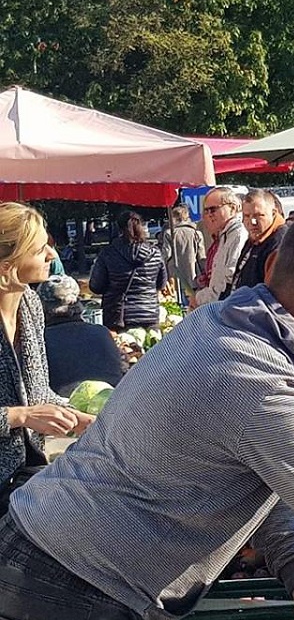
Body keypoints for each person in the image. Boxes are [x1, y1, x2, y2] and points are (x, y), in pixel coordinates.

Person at [0, 204, 294, 620]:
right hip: (72, 585)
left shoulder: (220, 323)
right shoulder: (260, 377)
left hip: (43, 544)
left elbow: (262, 479)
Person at [0, 203, 94, 517]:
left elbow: (38, 395)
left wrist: (80, 419)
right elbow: (26, 411)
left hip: (25, 479)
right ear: (7, 264)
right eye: (41, 249)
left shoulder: (30, 303)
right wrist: (18, 417)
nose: (52, 255)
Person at [37, 274, 126, 396]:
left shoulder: (40, 342)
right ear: (78, 303)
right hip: (112, 404)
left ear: (41, 307)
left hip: (65, 411)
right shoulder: (102, 332)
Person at [89, 211, 168, 332]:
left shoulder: (108, 253)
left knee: (122, 350)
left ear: (118, 228)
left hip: (118, 316)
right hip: (149, 314)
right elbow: (161, 284)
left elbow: (96, 286)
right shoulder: (155, 253)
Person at [222, 188, 287, 298]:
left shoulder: (280, 243)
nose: (252, 222)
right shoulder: (255, 238)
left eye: (259, 215)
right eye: (247, 216)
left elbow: (275, 295)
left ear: (273, 213)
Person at [191, 187, 247, 306]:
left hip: (228, 309)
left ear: (232, 208)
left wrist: (199, 298)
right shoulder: (224, 235)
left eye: (213, 209)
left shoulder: (238, 234)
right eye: (206, 211)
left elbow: (228, 281)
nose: (209, 215)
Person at [159, 204, 206, 298]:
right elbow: (201, 257)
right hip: (193, 275)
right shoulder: (196, 233)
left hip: (175, 276)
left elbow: (166, 255)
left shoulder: (169, 233)